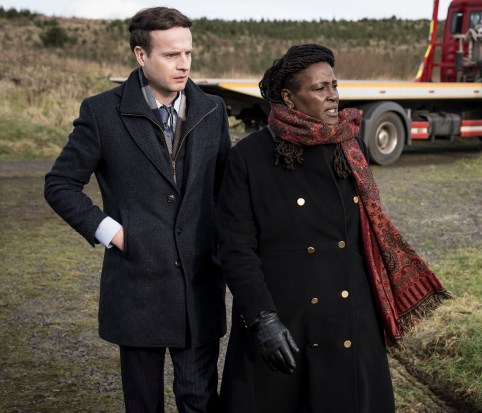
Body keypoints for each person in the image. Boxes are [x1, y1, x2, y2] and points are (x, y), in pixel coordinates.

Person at [216, 44, 452, 413]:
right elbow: (235, 248)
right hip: (285, 315)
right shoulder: (249, 157)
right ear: (288, 98)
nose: (333, 96)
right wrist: (263, 319)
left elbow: (363, 233)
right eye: (320, 88)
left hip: (348, 317)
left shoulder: (349, 144)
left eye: (334, 85)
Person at [44, 7, 230, 412]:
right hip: (137, 284)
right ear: (141, 55)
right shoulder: (101, 112)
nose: (183, 65)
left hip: (199, 286)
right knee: (143, 404)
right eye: (170, 55)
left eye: (188, 53)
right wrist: (114, 233)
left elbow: (224, 191)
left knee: (200, 400)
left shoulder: (213, 111)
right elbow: (59, 184)